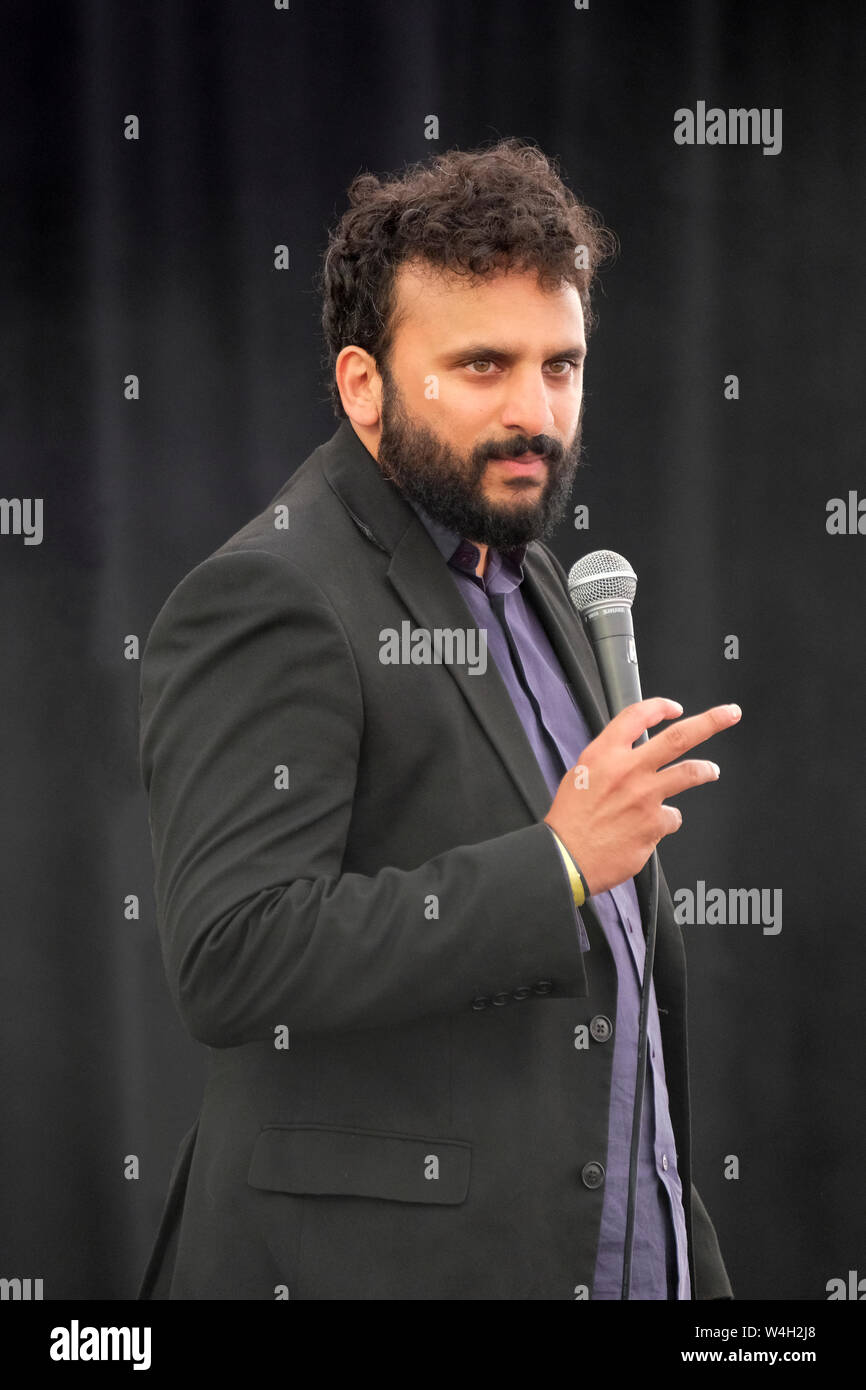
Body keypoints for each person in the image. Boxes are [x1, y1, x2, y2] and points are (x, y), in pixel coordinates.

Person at [138, 137, 738, 1300]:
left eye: (560, 365)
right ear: (364, 386)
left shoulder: (535, 577)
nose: (534, 413)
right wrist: (556, 860)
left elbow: (626, 1019)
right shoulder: (273, 592)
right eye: (481, 366)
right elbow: (232, 954)